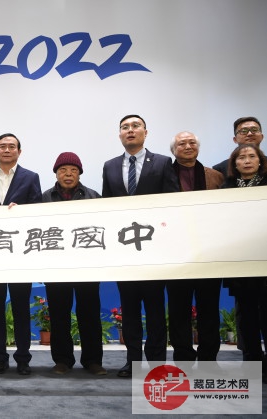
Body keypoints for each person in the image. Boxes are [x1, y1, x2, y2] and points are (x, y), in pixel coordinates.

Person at [102, 114, 180, 378]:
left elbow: (172, 202)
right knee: (130, 310)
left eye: (135, 126)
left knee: (155, 309)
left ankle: (157, 363)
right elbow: (107, 207)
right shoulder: (110, 166)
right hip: (125, 251)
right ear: (120, 135)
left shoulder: (162, 162)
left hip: (154, 250)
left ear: (145, 132)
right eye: (125, 127)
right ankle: (133, 362)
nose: (130, 130)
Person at [42, 152, 106, 376]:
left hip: (86, 266)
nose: (68, 174)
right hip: (56, 266)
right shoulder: (44, 198)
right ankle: (62, 360)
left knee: (90, 315)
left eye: (73, 170)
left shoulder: (94, 197)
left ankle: (93, 361)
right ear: (56, 173)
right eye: (63, 170)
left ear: (80, 173)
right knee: (59, 315)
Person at [0, 133, 41, 375]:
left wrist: (22, 211)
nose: (7, 150)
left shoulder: (31, 177)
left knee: (21, 308)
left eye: (12, 146)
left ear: (19, 151)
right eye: (2, 146)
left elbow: (37, 210)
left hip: (20, 255)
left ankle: (23, 359)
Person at [167, 132, 224, 363]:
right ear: (174, 150)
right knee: (178, 309)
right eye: (182, 143)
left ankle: (209, 358)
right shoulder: (164, 177)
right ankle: (183, 357)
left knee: (209, 309)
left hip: (209, 253)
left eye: (192, 143)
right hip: (176, 253)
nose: (188, 146)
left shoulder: (215, 177)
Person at [221, 143, 267, 382]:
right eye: (242, 158)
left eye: (252, 156)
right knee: (246, 316)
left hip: (264, 260)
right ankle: (252, 362)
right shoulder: (226, 188)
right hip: (239, 264)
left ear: (260, 161)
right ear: (235, 163)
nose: (247, 161)